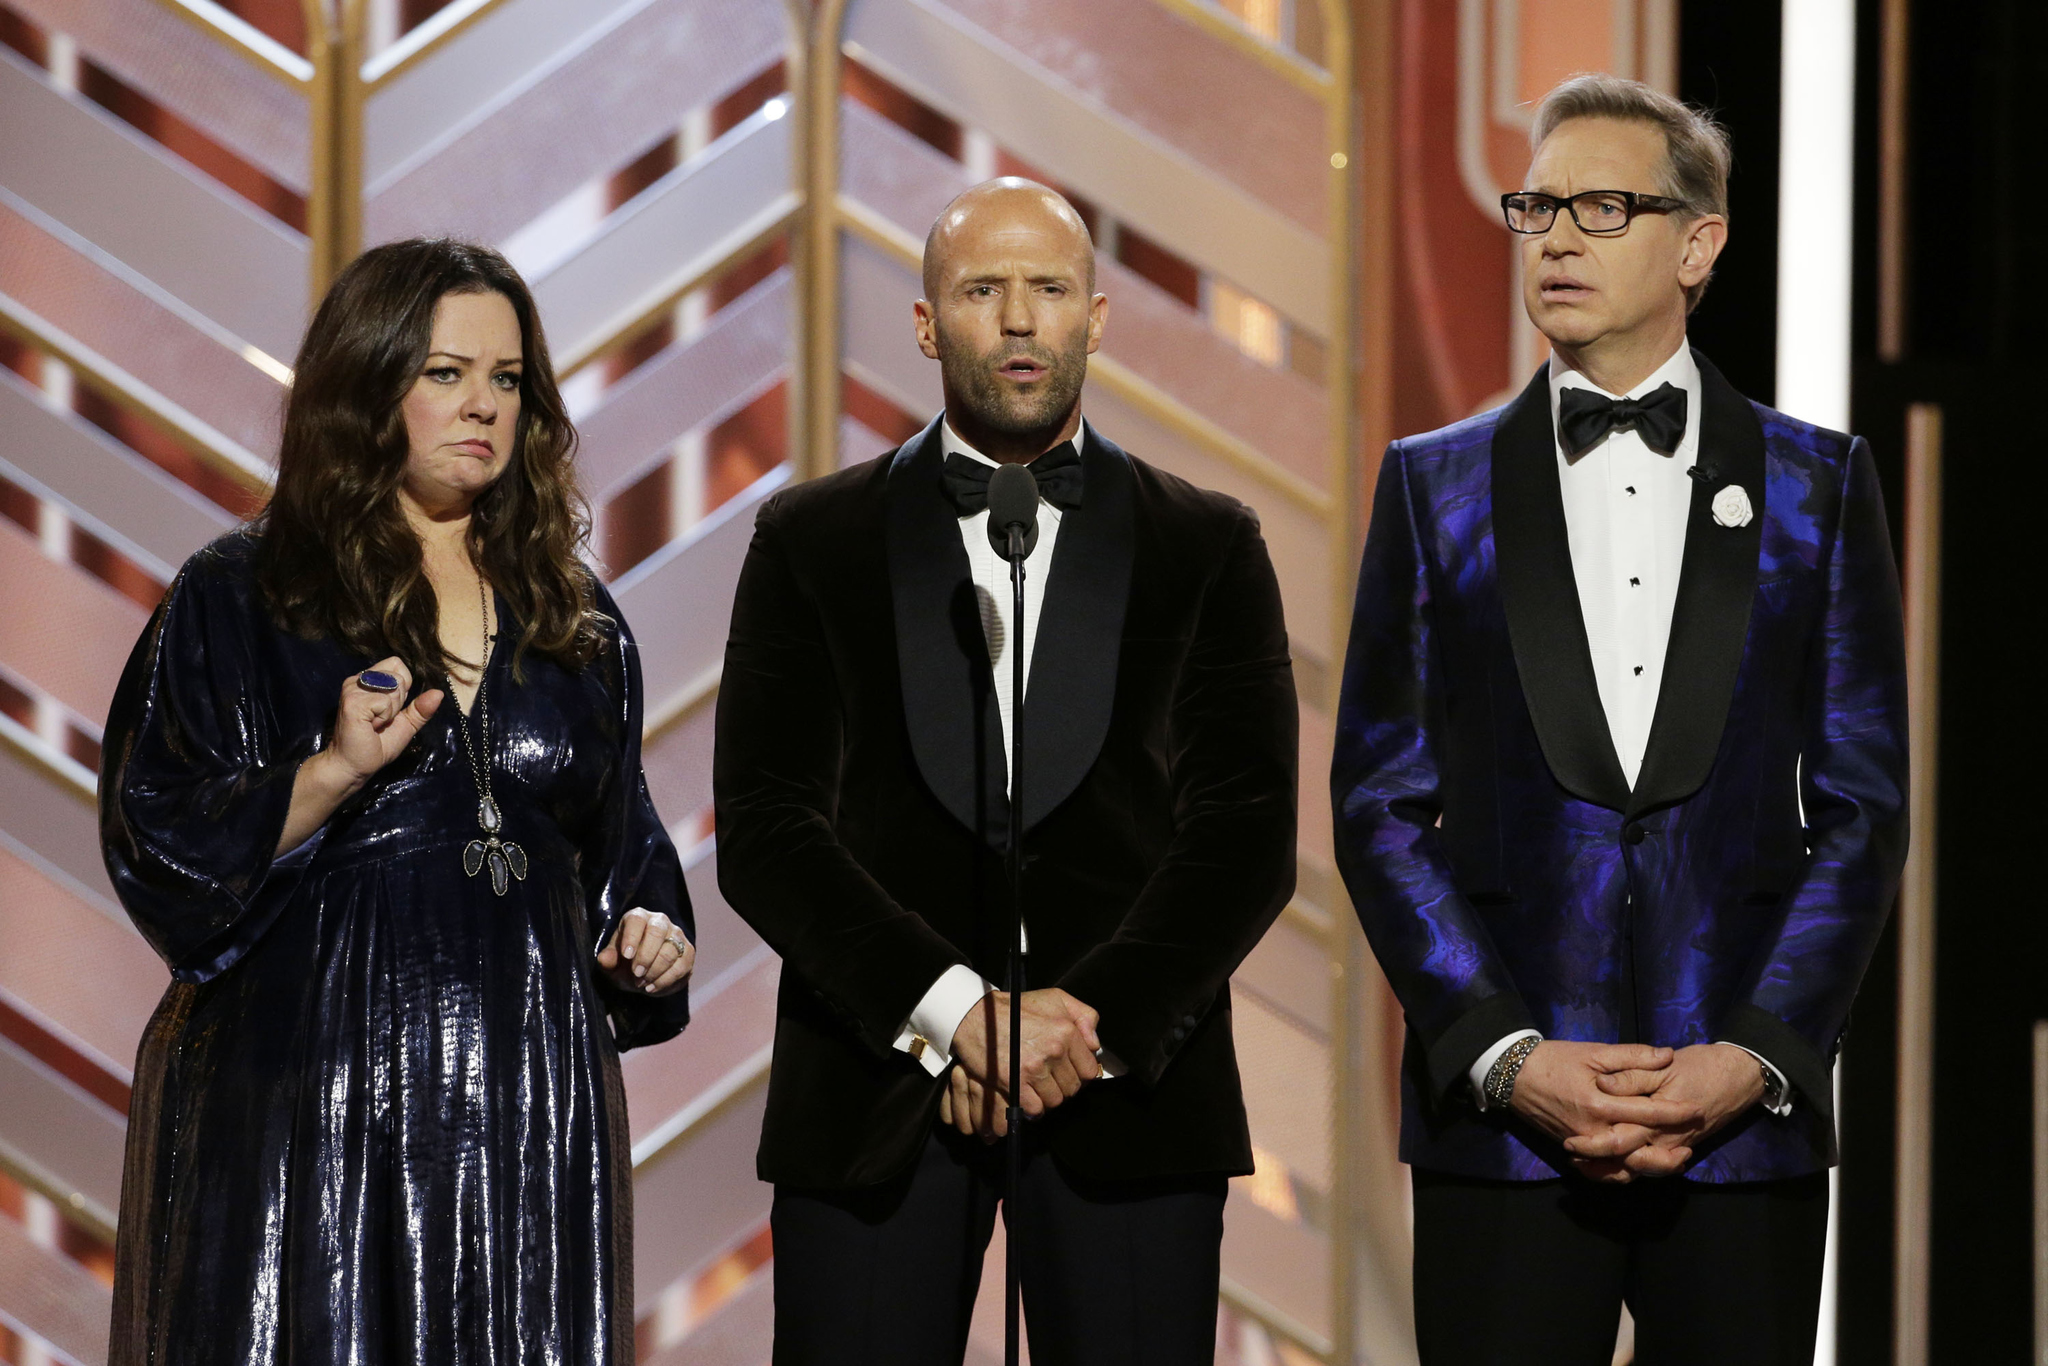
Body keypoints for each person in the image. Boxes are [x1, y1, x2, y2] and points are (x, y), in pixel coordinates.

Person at [1331, 74, 1907, 1365]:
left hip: (1741, 1128)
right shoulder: (1435, 486)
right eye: (1537, 205)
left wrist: (1755, 1053)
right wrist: (1500, 1048)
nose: (1557, 237)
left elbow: (1865, 802)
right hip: (1509, 1126)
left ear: (1699, 243)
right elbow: (1379, 800)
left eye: (1602, 205)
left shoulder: (1820, 485)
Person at [713, 178, 1297, 1365]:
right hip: (876, 1095)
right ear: (927, 324)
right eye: (983, 290)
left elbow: (1242, 834)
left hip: (1128, 1096)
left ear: (1095, 315)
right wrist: (958, 1017)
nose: (1019, 320)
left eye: (1046, 290)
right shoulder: (807, 541)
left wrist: (1078, 1028)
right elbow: (769, 829)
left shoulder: (1209, 542)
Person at [100, 238, 694, 1366]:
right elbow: (160, 841)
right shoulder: (245, 590)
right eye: (444, 373)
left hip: (525, 1097)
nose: (482, 406)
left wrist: (647, 936)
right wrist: (328, 770)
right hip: (307, 1099)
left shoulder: (579, 619)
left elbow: (623, 852)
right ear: (368, 387)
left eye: (507, 379)